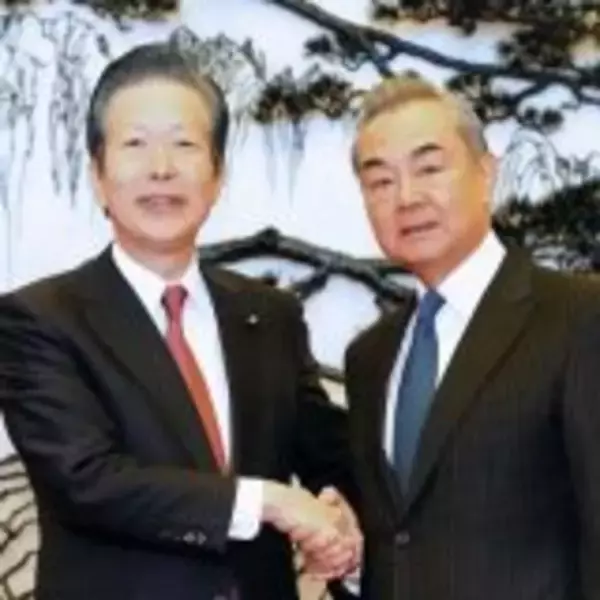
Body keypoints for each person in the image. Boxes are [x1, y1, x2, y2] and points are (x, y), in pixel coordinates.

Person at [0, 43, 360, 600]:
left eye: (184, 144)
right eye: (135, 144)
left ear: (217, 176)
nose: (161, 168)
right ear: (97, 175)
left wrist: (342, 515)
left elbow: (327, 455)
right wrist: (267, 501)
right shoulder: (39, 320)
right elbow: (87, 481)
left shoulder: (271, 314)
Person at [343, 73, 600, 600]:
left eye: (429, 168)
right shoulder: (369, 357)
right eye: (380, 181)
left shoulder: (578, 317)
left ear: (486, 174)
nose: (406, 197)